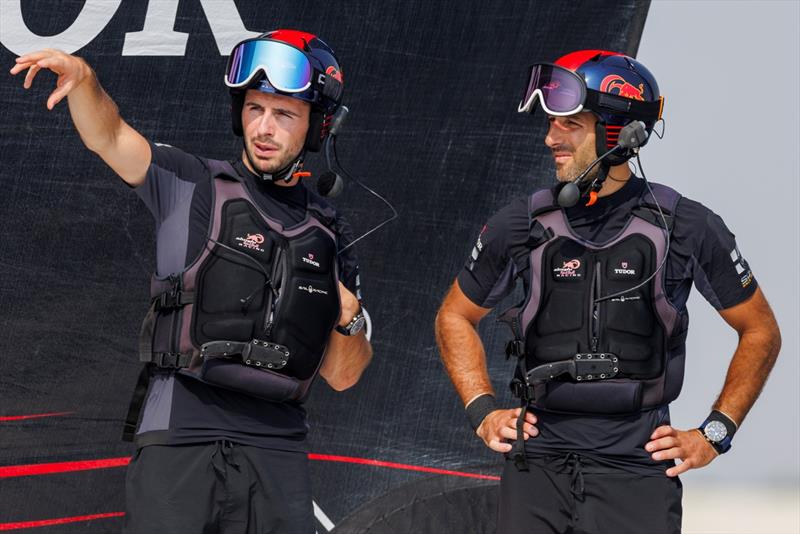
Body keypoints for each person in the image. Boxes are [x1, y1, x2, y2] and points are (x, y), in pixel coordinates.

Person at [11, 29, 372, 534]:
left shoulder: (329, 231)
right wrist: (84, 81)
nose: (264, 128)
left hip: (277, 454)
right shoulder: (190, 184)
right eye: (254, 109)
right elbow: (110, 136)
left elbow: (343, 375)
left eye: (284, 114)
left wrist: (348, 315)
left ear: (318, 127)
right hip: (179, 440)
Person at [434, 50, 781, 534]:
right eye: (552, 123)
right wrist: (482, 410)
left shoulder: (687, 225)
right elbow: (454, 316)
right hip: (537, 468)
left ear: (621, 132)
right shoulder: (520, 224)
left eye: (569, 124)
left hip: (637, 472)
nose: (549, 137)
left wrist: (714, 433)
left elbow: (761, 330)